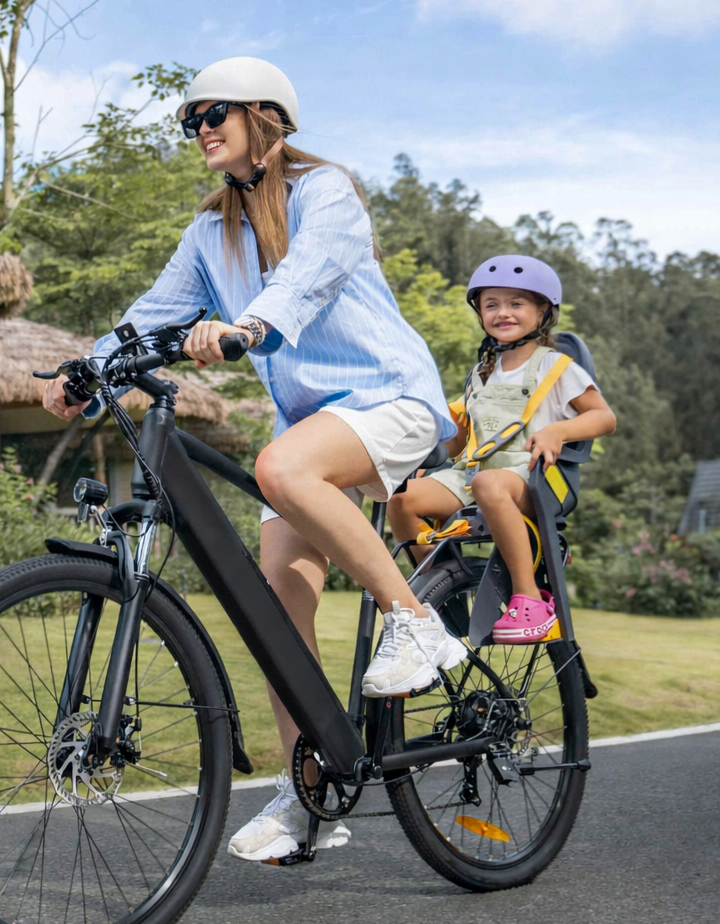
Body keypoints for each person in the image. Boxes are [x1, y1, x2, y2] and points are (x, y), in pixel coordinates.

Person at [43, 56, 463, 862]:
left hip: (391, 400)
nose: (199, 130)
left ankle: (419, 626)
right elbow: (151, 315)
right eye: (190, 121)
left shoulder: (325, 193)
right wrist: (87, 375)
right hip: (311, 426)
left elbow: (305, 279)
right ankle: (310, 793)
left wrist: (247, 327)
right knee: (277, 618)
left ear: (264, 115)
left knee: (277, 468)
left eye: (213, 115)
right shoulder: (211, 232)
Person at [387, 255, 617, 643]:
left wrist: (558, 431)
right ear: (479, 312)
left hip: (538, 479)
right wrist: (428, 459)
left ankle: (530, 599)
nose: (502, 313)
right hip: (476, 475)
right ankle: (439, 590)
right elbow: (464, 441)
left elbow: (603, 417)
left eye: (516, 304)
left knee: (490, 483)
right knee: (402, 495)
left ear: (542, 310)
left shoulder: (556, 366)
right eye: (491, 304)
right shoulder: (482, 373)